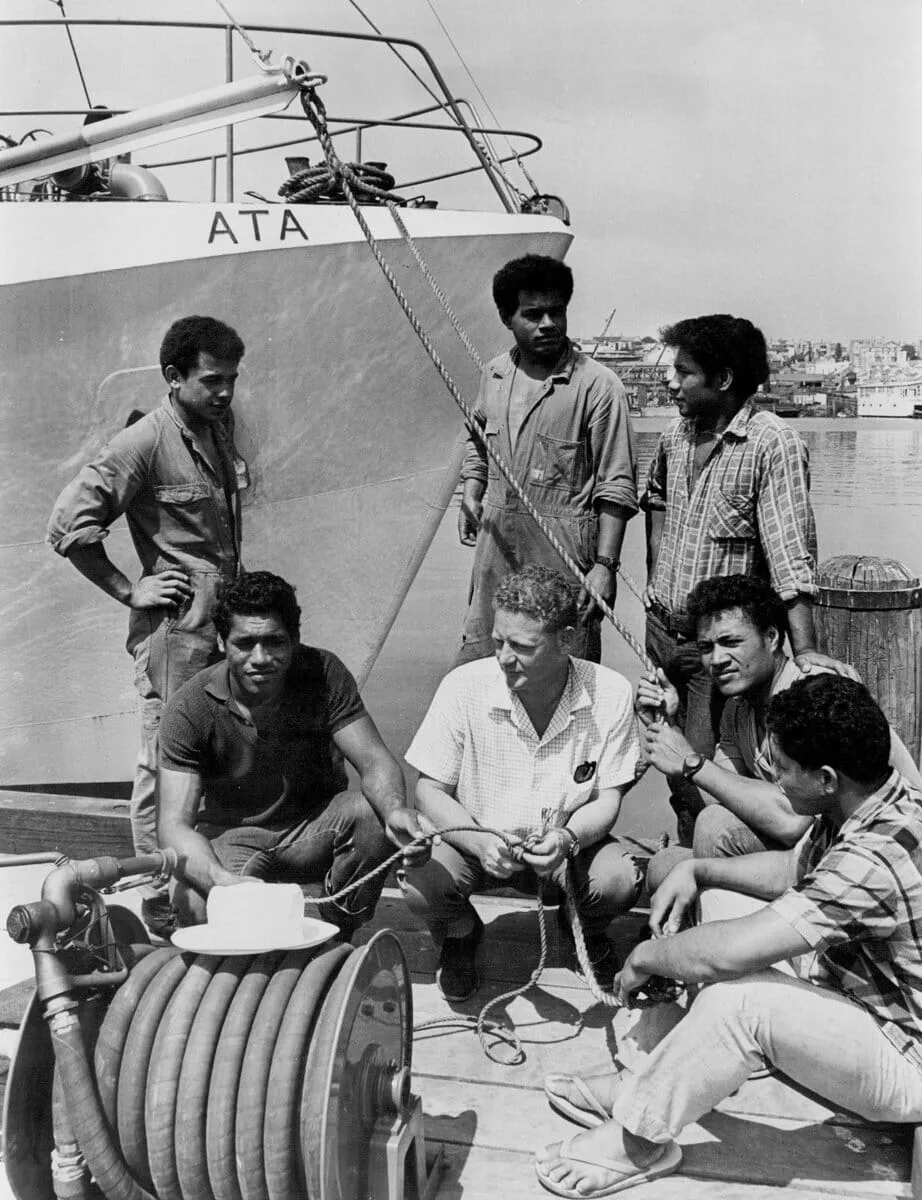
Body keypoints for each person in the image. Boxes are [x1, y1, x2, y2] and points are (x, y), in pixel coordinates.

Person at [536, 674, 922, 1196]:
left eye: (784, 771)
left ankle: (639, 1140)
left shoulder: (873, 857)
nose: (777, 784)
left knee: (740, 1000)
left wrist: (648, 955)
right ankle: (642, 1078)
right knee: (711, 908)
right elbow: (792, 870)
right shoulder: (871, 798)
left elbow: (728, 957)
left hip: (906, 1057)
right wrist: (700, 872)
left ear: (827, 778)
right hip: (862, 987)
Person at [47, 315, 247, 935]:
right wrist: (131, 591)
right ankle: (160, 905)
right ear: (173, 377)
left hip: (219, 628)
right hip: (176, 637)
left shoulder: (217, 427)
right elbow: (67, 527)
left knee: (203, 759)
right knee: (161, 765)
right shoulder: (142, 443)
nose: (225, 392)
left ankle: (193, 884)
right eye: (212, 380)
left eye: (232, 380)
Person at [640, 314, 853, 845]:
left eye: (685, 372)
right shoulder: (675, 434)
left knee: (705, 777)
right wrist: (656, 575)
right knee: (669, 769)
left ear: (724, 380)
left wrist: (804, 654)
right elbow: (657, 498)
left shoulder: (770, 444)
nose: (672, 383)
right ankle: (693, 868)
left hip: (716, 655)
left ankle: (702, 878)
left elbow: (789, 554)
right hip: (663, 633)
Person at [400, 565, 644, 1001]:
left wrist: (567, 839)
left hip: (568, 852)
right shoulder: (463, 687)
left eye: (522, 646)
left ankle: (578, 927)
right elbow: (428, 790)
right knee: (422, 882)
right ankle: (460, 934)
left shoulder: (610, 692)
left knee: (618, 879)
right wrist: (478, 844)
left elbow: (608, 800)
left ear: (566, 640)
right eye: (498, 641)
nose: (503, 658)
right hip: (478, 845)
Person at [156, 571, 431, 939]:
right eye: (245, 643)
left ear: (295, 640)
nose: (260, 658)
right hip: (234, 836)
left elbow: (374, 761)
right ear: (222, 642)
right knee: (194, 902)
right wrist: (219, 879)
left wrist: (396, 810)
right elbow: (173, 825)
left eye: (275, 642)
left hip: (313, 826)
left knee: (373, 815)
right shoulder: (190, 707)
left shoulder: (324, 672)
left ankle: (336, 932)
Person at [636, 574, 921, 886]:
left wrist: (690, 761)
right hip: (815, 848)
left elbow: (792, 821)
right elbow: (715, 795)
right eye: (706, 647)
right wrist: (667, 727)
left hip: (881, 854)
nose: (716, 659)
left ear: (771, 637)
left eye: (731, 642)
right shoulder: (738, 707)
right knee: (664, 867)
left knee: (715, 829)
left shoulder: (810, 692)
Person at [456, 254, 638, 665]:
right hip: (494, 546)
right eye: (533, 314)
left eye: (556, 312)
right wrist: (471, 491)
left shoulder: (599, 387)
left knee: (562, 673)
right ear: (506, 318)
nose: (548, 324)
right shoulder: (494, 374)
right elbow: (477, 440)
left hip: (563, 553)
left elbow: (617, 485)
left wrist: (605, 566)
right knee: (482, 665)